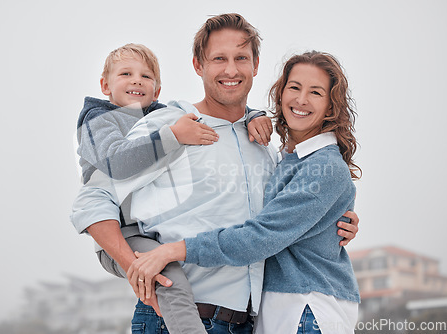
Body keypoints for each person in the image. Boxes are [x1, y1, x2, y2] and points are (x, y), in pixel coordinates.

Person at [71, 14, 359, 334]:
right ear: (198, 65)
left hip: (249, 323)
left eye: (241, 58)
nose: (231, 70)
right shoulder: (172, 125)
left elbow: (275, 224)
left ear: (256, 65)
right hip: (175, 318)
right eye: (219, 58)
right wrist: (135, 267)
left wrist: (336, 220)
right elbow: (93, 199)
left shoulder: (262, 144)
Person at [72, 42, 273, 334]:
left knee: (166, 273)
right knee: (168, 279)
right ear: (105, 85)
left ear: (157, 91)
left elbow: (225, 111)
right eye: (125, 74)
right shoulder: (98, 120)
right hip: (122, 234)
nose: (136, 80)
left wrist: (253, 115)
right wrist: (174, 136)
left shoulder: (160, 116)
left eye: (146, 76)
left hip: (151, 238)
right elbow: (114, 165)